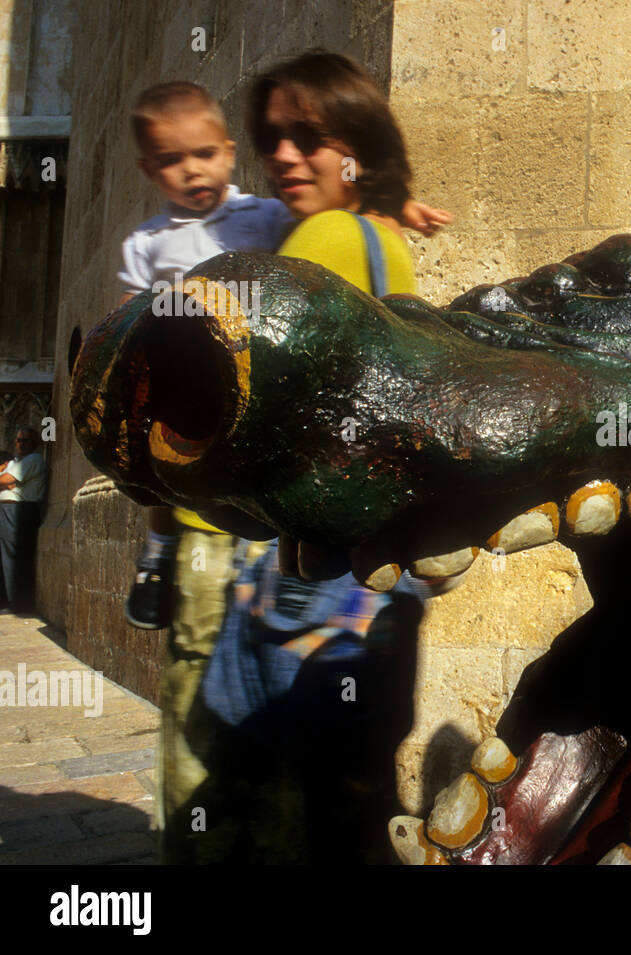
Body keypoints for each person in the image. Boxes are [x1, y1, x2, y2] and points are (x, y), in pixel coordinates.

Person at [116, 76, 449, 862]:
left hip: (244, 544)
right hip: (343, 582)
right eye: (274, 139)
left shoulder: (313, 242)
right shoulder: (368, 237)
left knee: (216, 762)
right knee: (333, 790)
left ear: (356, 149)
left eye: (308, 137)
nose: (284, 156)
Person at [118, 81, 451, 632]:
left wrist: (397, 202)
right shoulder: (149, 242)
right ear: (150, 170)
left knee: (220, 656)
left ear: (227, 154)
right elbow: (128, 318)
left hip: (240, 485)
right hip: (197, 403)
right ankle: (155, 552)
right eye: (172, 161)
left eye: (205, 154)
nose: (193, 172)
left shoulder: (269, 218)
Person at [0, 428, 49, 614]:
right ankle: (6, 599)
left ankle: (18, 602)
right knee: (5, 555)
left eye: (26, 441)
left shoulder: (33, 460)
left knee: (15, 557)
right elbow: (5, 481)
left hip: (18, 510)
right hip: (7, 510)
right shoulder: (15, 461)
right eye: (19, 440)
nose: (21, 443)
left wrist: (5, 481)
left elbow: (7, 480)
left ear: (34, 443)